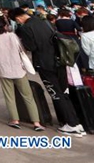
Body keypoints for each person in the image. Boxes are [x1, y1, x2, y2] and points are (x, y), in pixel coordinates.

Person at [11, 7, 84, 136]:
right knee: (63, 92)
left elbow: (31, 47)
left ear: (17, 18)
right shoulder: (43, 21)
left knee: (56, 94)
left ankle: (71, 124)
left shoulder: (25, 28)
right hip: (59, 61)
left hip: (45, 64)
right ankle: (76, 123)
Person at [0, 18, 45, 131]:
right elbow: (22, 49)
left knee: (9, 97)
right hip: (18, 69)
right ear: (5, 25)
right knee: (28, 96)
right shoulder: (12, 36)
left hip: (3, 70)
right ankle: (36, 123)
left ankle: (15, 120)